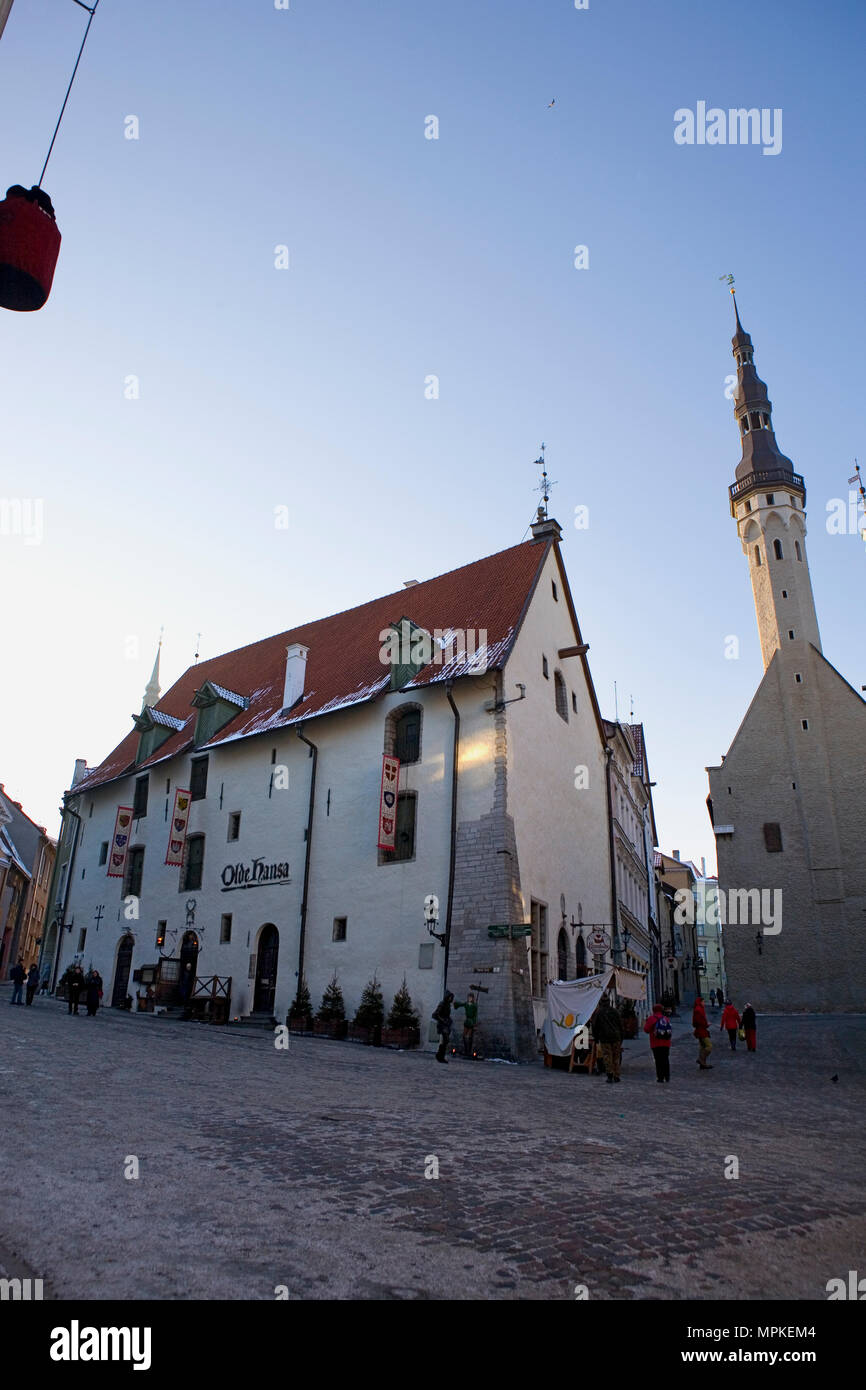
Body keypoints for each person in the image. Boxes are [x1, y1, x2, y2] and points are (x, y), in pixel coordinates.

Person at [592, 994, 624, 1083]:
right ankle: (617, 1075)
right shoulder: (615, 1011)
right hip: (616, 1037)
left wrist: (596, 1037)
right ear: (609, 1002)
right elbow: (620, 1025)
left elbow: (595, 1026)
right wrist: (621, 1037)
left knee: (607, 1056)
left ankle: (610, 1075)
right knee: (616, 1057)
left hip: (604, 1038)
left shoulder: (599, 1012)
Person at [643, 1001, 672, 1082]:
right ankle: (667, 1076)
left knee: (658, 1060)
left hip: (656, 1043)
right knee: (666, 1059)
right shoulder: (665, 1018)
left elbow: (646, 1029)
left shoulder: (652, 1018)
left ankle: (660, 1077)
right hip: (666, 1043)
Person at [432, 991, 454, 1064]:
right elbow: (435, 1014)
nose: (450, 998)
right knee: (445, 1040)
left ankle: (440, 1056)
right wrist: (443, 1020)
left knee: (446, 1041)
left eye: (451, 997)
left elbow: (447, 1015)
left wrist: (449, 1020)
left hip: (446, 1025)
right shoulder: (442, 1004)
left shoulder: (448, 1005)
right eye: (449, 997)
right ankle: (440, 1056)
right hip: (442, 1025)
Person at [453, 992, 478, 1057]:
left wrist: (475, 1024)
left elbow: (475, 1015)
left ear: (473, 998)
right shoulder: (466, 1004)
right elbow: (461, 1004)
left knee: (469, 1036)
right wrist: (456, 1004)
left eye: (471, 997)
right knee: (464, 1036)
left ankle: (469, 1051)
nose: (469, 998)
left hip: (471, 1021)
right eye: (469, 997)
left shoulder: (474, 1006)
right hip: (467, 1021)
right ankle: (466, 1049)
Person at [692, 995, 713, 1070]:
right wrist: (706, 1024)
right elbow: (698, 1021)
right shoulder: (698, 1010)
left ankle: (703, 1064)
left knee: (702, 1046)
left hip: (701, 1030)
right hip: (701, 1030)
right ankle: (701, 1060)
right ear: (700, 1002)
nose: (704, 1003)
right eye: (703, 1002)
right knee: (709, 1046)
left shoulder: (700, 1009)